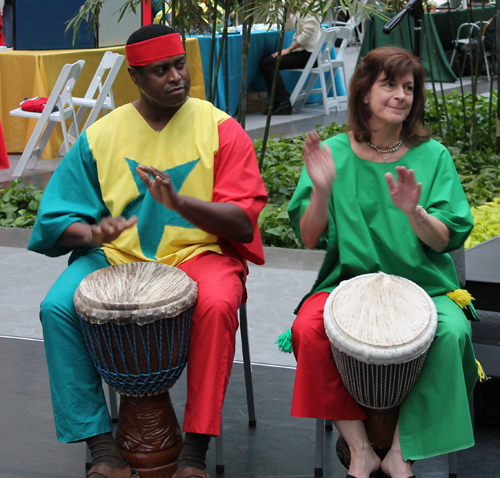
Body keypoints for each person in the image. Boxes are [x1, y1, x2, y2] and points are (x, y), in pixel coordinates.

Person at [28, 23, 267, 478]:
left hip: (199, 254)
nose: (176, 77)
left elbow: (241, 220)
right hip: (114, 258)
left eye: (180, 66)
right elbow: (58, 221)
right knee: (56, 307)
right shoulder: (101, 136)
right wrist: (94, 234)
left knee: (217, 303)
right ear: (135, 78)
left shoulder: (222, 129)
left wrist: (179, 203)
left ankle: (194, 452)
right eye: (160, 71)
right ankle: (103, 450)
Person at [287, 46, 478, 478]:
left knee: (451, 333)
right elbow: (309, 235)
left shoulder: (433, 157)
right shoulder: (333, 153)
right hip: (347, 286)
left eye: (409, 87)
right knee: (308, 329)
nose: (401, 95)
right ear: (364, 93)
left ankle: (401, 450)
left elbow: (446, 238)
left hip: (425, 287)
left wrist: (416, 214)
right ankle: (359, 448)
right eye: (389, 84)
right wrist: (320, 191)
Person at [259, 8, 321, 115]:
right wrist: (287, 11)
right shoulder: (299, 9)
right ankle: (282, 101)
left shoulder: (311, 8)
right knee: (268, 61)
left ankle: (283, 102)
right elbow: (287, 28)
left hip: (308, 54)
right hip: (306, 53)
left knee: (267, 63)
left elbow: (307, 34)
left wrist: (289, 49)